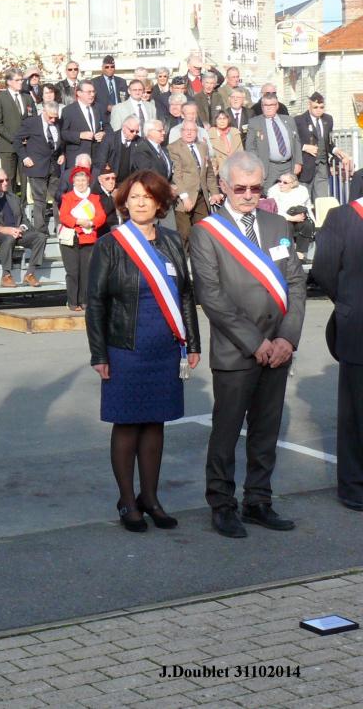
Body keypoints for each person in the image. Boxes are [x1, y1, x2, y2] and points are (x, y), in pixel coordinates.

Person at [189, 151, 307, 539]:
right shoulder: (207, 232)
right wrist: (256, 342)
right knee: (226, 432)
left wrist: (286, 338)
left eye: (256, 187)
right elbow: (212, 296)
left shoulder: (275, 224)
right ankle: (222, 505)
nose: (248, 195)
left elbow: (295, 285)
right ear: (223, 186)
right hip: (236, 350)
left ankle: (259, 500)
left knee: (265, 430)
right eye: (240, 188)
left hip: (278, 347)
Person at [87, 170, 201, 532]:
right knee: (127, 425)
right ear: (124, 201)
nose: (139, 203)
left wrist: (193, 344)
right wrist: (99, 354)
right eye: (133, 196)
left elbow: (185, 294)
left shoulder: (169, 240)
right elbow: (95, 303)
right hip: (125, 349)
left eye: (147, 197)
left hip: (166, 349)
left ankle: (150, 498)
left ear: (159, 203)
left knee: (155, 424)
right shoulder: (111, 244)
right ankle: (126, 500)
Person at [310, 192, 363, 510]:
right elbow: (325, 269)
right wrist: (348, 304)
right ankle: (354, 487)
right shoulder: (342, 217)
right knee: (356, 413)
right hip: (358, 326)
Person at [0, 169, 48, 288]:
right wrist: (5, 230)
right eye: (1, 181)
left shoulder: (14, 198)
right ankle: (6, 275)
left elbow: (24, 219)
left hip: (17, 232)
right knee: (9, 238)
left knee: (40, 237)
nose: (5, 183)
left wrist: (21, 228)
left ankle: (30, 273)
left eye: (7, 180)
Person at [58, 166, 106, 311]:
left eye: (83, 180)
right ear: (73, 181)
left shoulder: (94, 198)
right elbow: (64, 216)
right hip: (71, 239)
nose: (81, 183)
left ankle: (84, 301)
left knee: (86, 271)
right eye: (78, 180)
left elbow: (101, 216)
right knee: (73, 271)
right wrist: (79, 222)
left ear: (88, 181)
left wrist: (91, 223)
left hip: (88, 238)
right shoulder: (67, 197)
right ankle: (73, 302)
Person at [168, 121, 222, 244]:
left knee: (202, 231)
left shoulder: (203, 146)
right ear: (181, 132)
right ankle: (184, 261)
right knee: (184, 233)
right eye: (186, 130)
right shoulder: (173, 148)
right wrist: (185, 197)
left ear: (197, 133)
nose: (189, 133)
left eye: (192, 130)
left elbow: (209, 173)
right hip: (184, 197)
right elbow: (177, 175)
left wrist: (214, 192)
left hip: (201, 197)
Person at [15, 101, 65, 231]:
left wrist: (62, 153)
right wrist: (25, 157)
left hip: (54, 166)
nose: (53, 120)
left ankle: (60, 226)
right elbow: (17, 140)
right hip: (36, 166)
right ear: (44, 112)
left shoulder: (58, 123)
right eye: (50, 117)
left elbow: (61, 140)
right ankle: (40, 230)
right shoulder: (31, 123)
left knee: (58, 197)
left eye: (55, 117)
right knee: (39, 200)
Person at [0, 69, 35, 194]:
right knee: (9, 179)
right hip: (8, 146)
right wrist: (14, 139)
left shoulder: (27, 97)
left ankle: (24, 208)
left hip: (26, 146)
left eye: (22, 80)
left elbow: (34, 120)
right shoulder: (0, 97)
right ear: (9, 82)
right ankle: (11, 208)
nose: (21, 82)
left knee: (25, 179)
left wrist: (28, 137)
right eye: (17, 80)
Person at [294, 93, 344, 201]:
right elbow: (291, 141)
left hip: (322, 166)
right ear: (309, 106)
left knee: (322, 200)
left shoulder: (328, 119)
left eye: (321, 107)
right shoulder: (299, 120)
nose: (318, 110)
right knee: (303, 200)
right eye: (315, 107)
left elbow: (328, 142)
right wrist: (304, 147)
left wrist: (336, 150)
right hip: (306, 167)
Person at [246, 93, 300, 190]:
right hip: (269, 167)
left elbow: (296, 142)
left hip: (289, 165)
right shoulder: (255, 122)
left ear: (277, 106)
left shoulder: (289, 120)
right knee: (269, 195)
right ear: (262, 107)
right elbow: (250, 147)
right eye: (266, 105)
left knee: (290, 195)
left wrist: (298, 162)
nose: (268, 108)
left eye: (272, 105)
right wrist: (259, 165)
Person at [269, 173, 315, 256]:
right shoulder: (273, 190)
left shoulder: (302, 190)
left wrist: (312, 220)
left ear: (293, 184)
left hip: (299, 217)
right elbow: (275, 209)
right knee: (285, 226)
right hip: (281, 218)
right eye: (280, 181)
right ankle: (284, 254)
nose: (280, 184)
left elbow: (303, 207)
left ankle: (300, 253)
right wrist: (291, 218)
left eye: (285, 182)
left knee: (307, 225)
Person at [60, 80, 106, 163]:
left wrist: (103, 133)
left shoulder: (99, 108)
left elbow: (107, 127)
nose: (92, 95)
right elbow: (63, 133)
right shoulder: (68, 110)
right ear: (79, 93)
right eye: (89, 92)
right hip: (78, 156)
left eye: (93, 92)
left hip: (98, 155)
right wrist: (80, 135)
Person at [208, 109, 243, 178]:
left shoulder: (235, 133)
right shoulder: (209, 135)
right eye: (219, 119)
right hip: (218, 172)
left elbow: (240, 153)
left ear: (228, 120)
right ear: (215, 121)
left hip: (235, 170)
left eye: (224, 118)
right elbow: (210, 156)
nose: (222, 121)